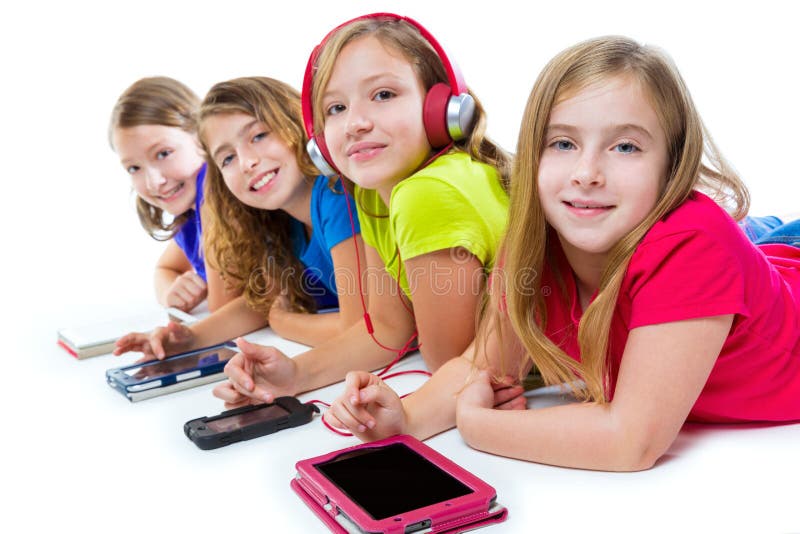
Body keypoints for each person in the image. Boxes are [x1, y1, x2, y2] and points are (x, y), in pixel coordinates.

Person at [325, 36, 800, 471]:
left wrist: (478, 425)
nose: (586, 172)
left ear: (672, 166)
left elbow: (629, 441)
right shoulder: (537, 239)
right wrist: (403, 418)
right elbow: (481, 365)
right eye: (564, 143)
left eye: (626, 146)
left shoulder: (693, 244)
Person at [213, 13, 511, 408]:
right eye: (335, 108)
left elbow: (448, 361)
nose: (354, 123)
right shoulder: (371, 194)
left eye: (383, 95)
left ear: (442, 107)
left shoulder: (429, 192)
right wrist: (295, 374)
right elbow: (387, 328)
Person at [114, 77, 365, 359]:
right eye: (228, 158)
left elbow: (361, 330)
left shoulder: (336, 198)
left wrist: (284, 321)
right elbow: (261, 301)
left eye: (258, 136)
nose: (247, 163)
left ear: (295, 122)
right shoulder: (281, 220)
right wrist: (188, 338)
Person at [110, 77, 233, 313]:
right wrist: (172, 291)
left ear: (202, 136)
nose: (154, 182)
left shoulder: (213, 193)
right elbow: (165, 268)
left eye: (163, 153)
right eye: (134, 168)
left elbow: (222, 309)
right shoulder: (190, 213)